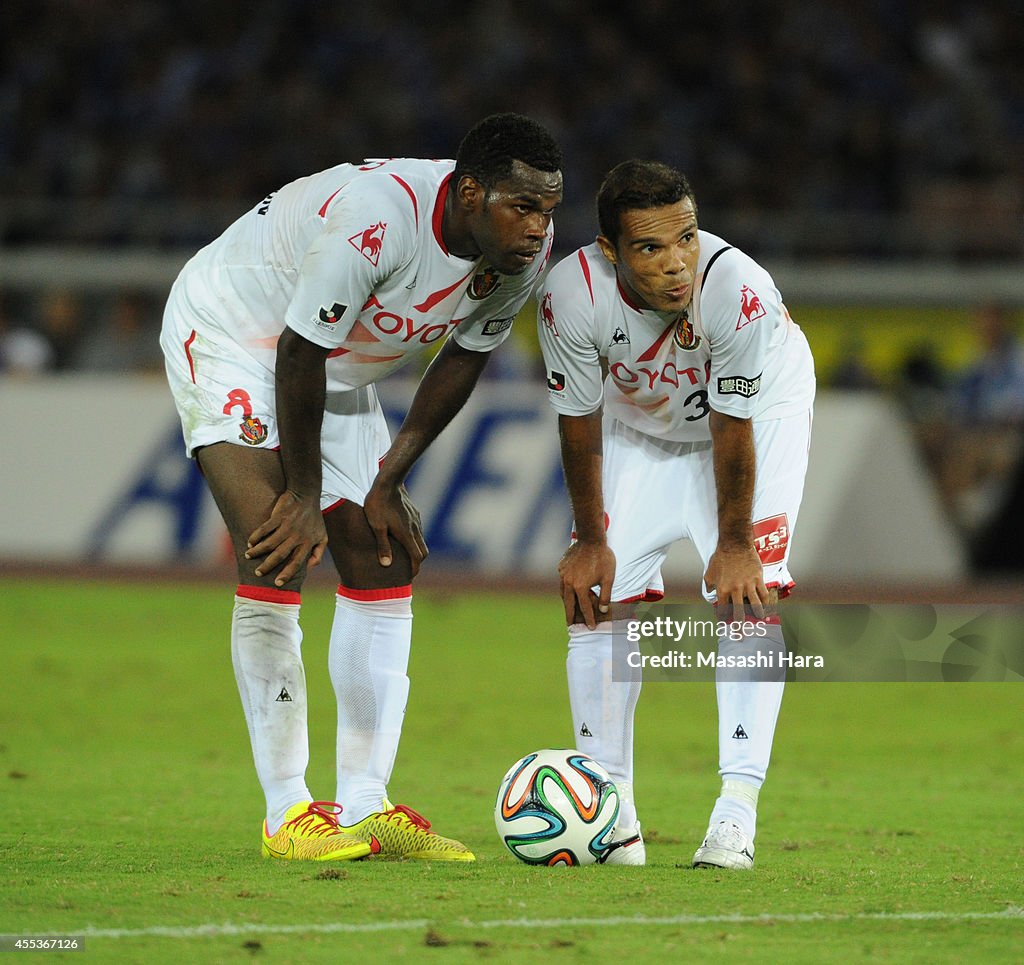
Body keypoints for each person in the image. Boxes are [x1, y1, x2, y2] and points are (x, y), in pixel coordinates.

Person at [160, 113, 563, 862]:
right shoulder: (378, 219)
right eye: (525, 207)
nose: (541, 228)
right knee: (273, 545)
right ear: (469, 193)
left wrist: (388, 478)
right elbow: (296, 348)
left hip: (332, 366)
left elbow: (461, 360)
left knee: (385, 555)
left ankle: (366, 801)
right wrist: (305, 496)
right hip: (236, 332)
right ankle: (287, 811)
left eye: (549, 209)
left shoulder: (517, 260)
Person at [537, 160, 815, 868]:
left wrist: (735, 543)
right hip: (643, 424)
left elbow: (732, 423)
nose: (676, 263)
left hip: (758, 415)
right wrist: (589, 537)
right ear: (609, 251)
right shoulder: (569, 296)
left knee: (747, 594)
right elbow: (577, 420)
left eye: (686, 238)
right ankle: (610, 809)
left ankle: (736, 812)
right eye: (650, 249)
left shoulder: (739, 294)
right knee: (594, 599)